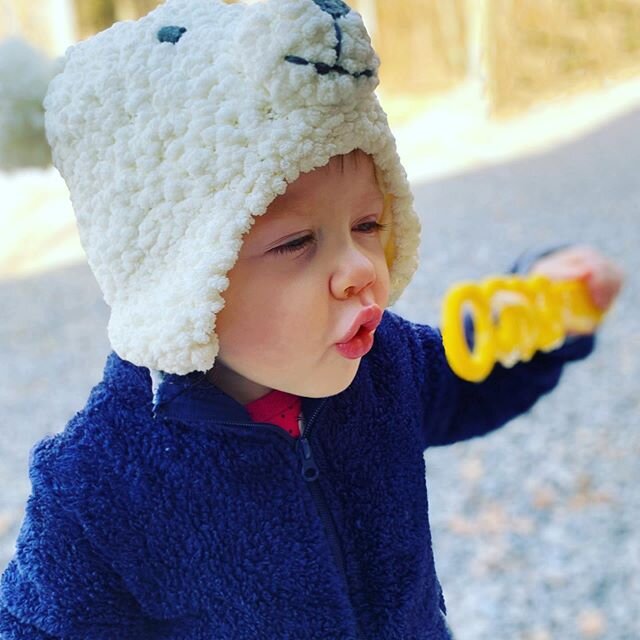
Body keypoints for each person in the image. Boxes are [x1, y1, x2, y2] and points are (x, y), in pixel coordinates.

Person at [0, 1, 624, 638]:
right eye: (296, 242)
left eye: (367, 225)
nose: (358, 266)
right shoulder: (102, 483)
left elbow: (471, 374)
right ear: (177, 277)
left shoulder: (387, 365)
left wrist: (540, 313)